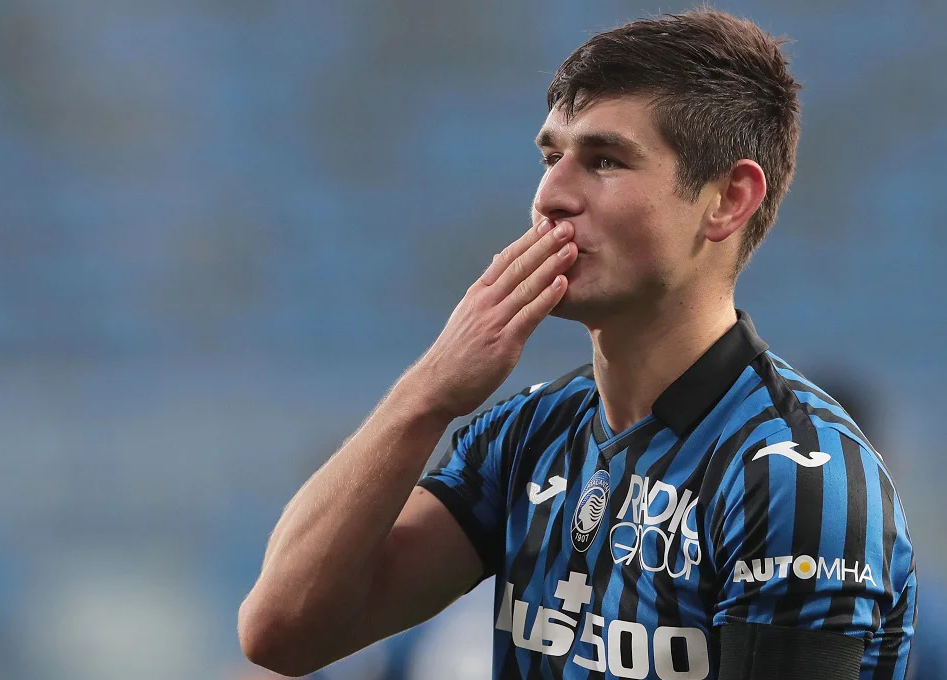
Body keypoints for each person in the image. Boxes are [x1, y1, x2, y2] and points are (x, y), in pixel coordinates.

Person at [238, 9, 917, 680]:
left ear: (728, 199)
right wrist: (428, 394)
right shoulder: (529, 437)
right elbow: (282, 633)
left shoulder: (795, 477)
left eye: (604, 161)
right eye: (550, 158)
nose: (550, 196)